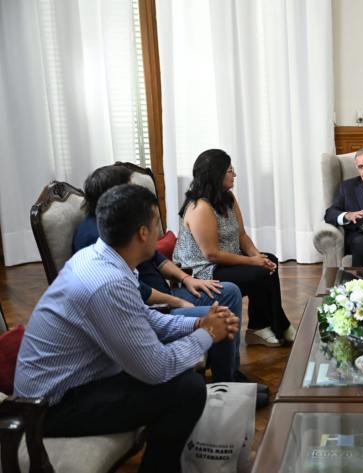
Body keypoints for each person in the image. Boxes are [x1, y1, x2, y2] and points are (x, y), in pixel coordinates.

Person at [15, 184, 239, 472]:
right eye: (157, 222)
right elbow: (156, 369)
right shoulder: (107, 283)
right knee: (187, 390)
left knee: (180, 381)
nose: (161, 231)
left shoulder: (104, 258)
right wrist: (207, 334)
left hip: (74, 384)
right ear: (143, 232)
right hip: (49, 407)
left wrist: (197, 323)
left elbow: (144, 317)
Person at [72, 165, 261, 389]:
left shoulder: (122, 222)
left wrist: (187, 279)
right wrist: (177, 301)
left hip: (166, 294)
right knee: (221, 315)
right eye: (130, 187)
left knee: (228, 291)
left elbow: (157, 258)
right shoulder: (96, 235)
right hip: (151, 306)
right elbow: (136, 291)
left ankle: (229, 375)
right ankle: (226, 385)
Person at [174, 149, 293, 347]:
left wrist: (258, 257)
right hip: (205, 270)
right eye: (230, 171)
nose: (234, 174)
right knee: (259, 272)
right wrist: (253, 261)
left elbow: (242, 236)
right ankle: (275, 325)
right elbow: (212, 254)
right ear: (216, 174)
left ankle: (260, 327)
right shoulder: (200, 207)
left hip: (225, 260)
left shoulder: (228, 198)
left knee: (269, 261)